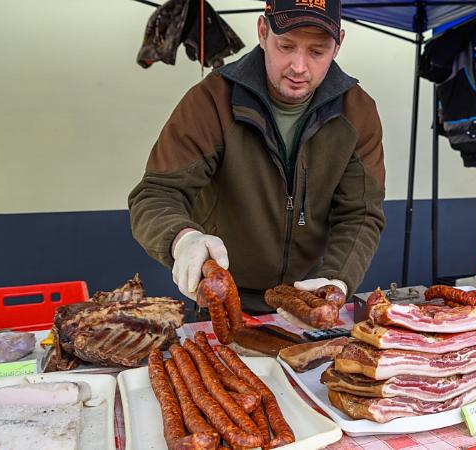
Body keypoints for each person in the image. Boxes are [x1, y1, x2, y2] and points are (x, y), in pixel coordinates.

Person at [128, 0, 386, 315]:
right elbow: (156, 193)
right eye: (286, 46)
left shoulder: (358, 112)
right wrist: (182, 238)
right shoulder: (212, 100)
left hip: (310, 298)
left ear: (338, 45)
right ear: (263, 32)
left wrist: (336, 281)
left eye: (317, 52)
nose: (298, 67)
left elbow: (360, 213)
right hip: (225, 299)